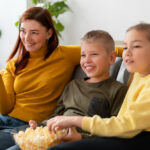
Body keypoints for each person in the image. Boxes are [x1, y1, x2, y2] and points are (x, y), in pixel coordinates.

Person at [6, 30, 128, 150]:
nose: (87, 60)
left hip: (81, 143)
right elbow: (56, 116)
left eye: (94, 54)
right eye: (83, 55)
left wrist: (81, 137)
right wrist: (39, 125)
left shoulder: (118, 90)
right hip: (53, 138)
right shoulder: (73, 85)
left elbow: (115, 129)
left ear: (111, 58)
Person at [46, 22, 150, 150]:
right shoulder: (138, 75)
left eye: (136, 46)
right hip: (126, 136)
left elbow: (126, 125)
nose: (127, 53)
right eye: (124, 47)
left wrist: (76, 121)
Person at [0, 6, 80, 149]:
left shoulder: (65, 55)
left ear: (49, 33)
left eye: (34, 33)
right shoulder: (14, 64)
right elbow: (5, 109)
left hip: (27, 128)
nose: (26, 38)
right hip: (4, 120)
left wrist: (130, 52)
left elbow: (104, 49)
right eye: (23, 31)